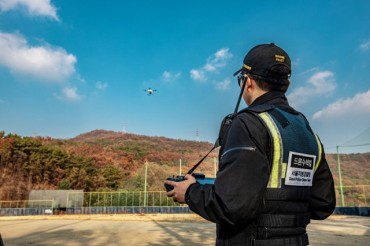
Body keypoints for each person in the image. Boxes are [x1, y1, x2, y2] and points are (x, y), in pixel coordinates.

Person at [164, 43, 336, 246]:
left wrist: (190, 192)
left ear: (247, 81)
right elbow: (323, 205)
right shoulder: (306, 130)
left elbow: (231, 206)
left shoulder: (248, 123)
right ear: (287, 85)